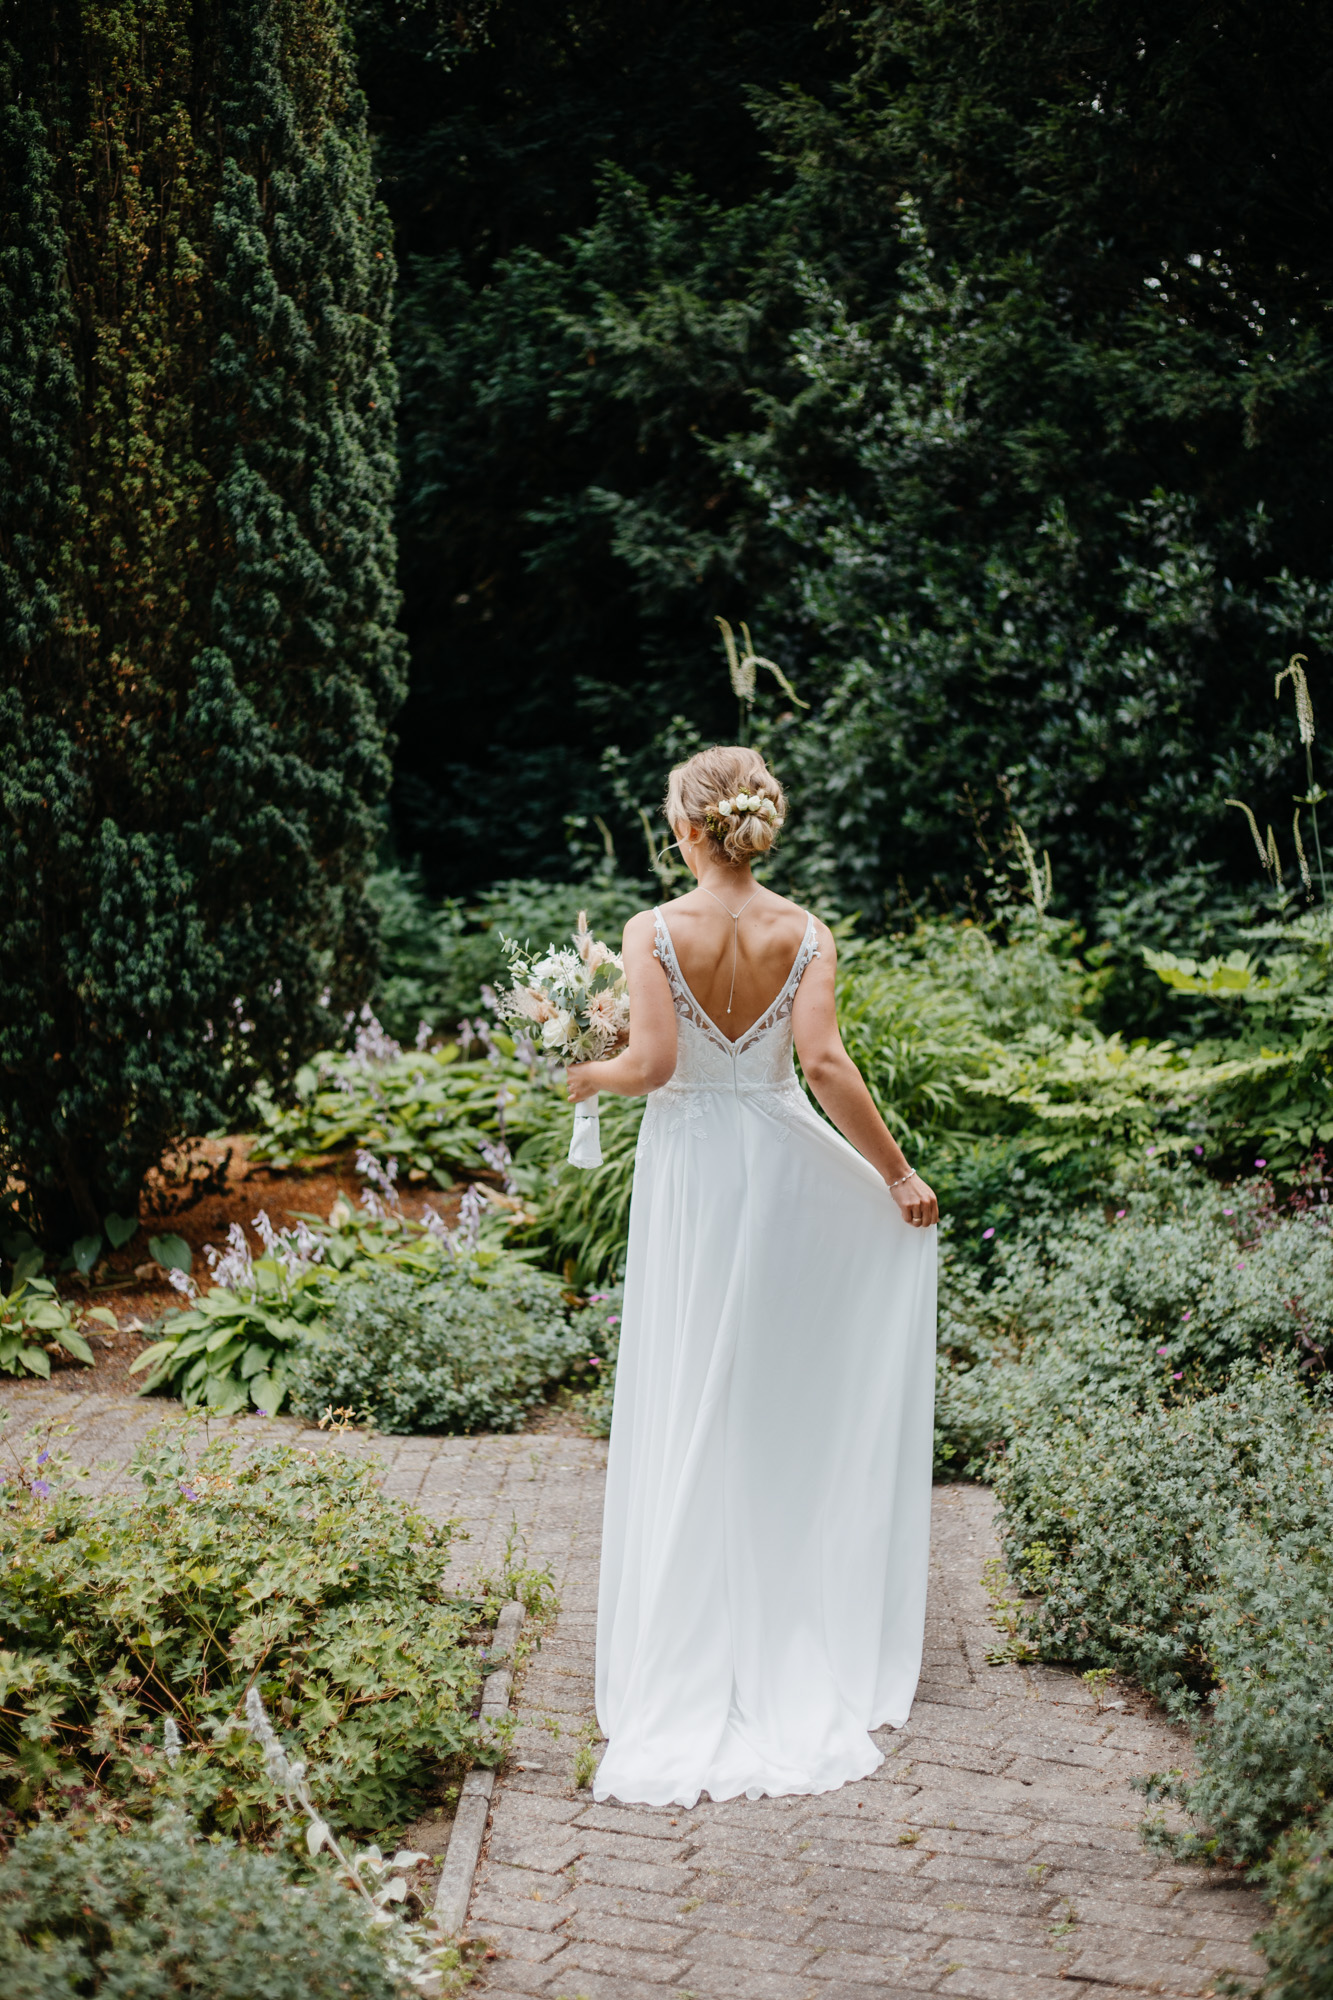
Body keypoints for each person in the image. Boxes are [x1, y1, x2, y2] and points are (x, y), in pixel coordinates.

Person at [566, 745, 938, 1808]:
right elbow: (822, 1064)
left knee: (694, 1380)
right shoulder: (806, 931)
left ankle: (686, 1630)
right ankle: (774, 1612)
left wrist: (581, 1069)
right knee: (766, 1391)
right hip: (776, 1168)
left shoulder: (650, 930)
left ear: (685, 828)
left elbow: (650, 1068)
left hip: (689, 1174)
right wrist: (896, 1173)